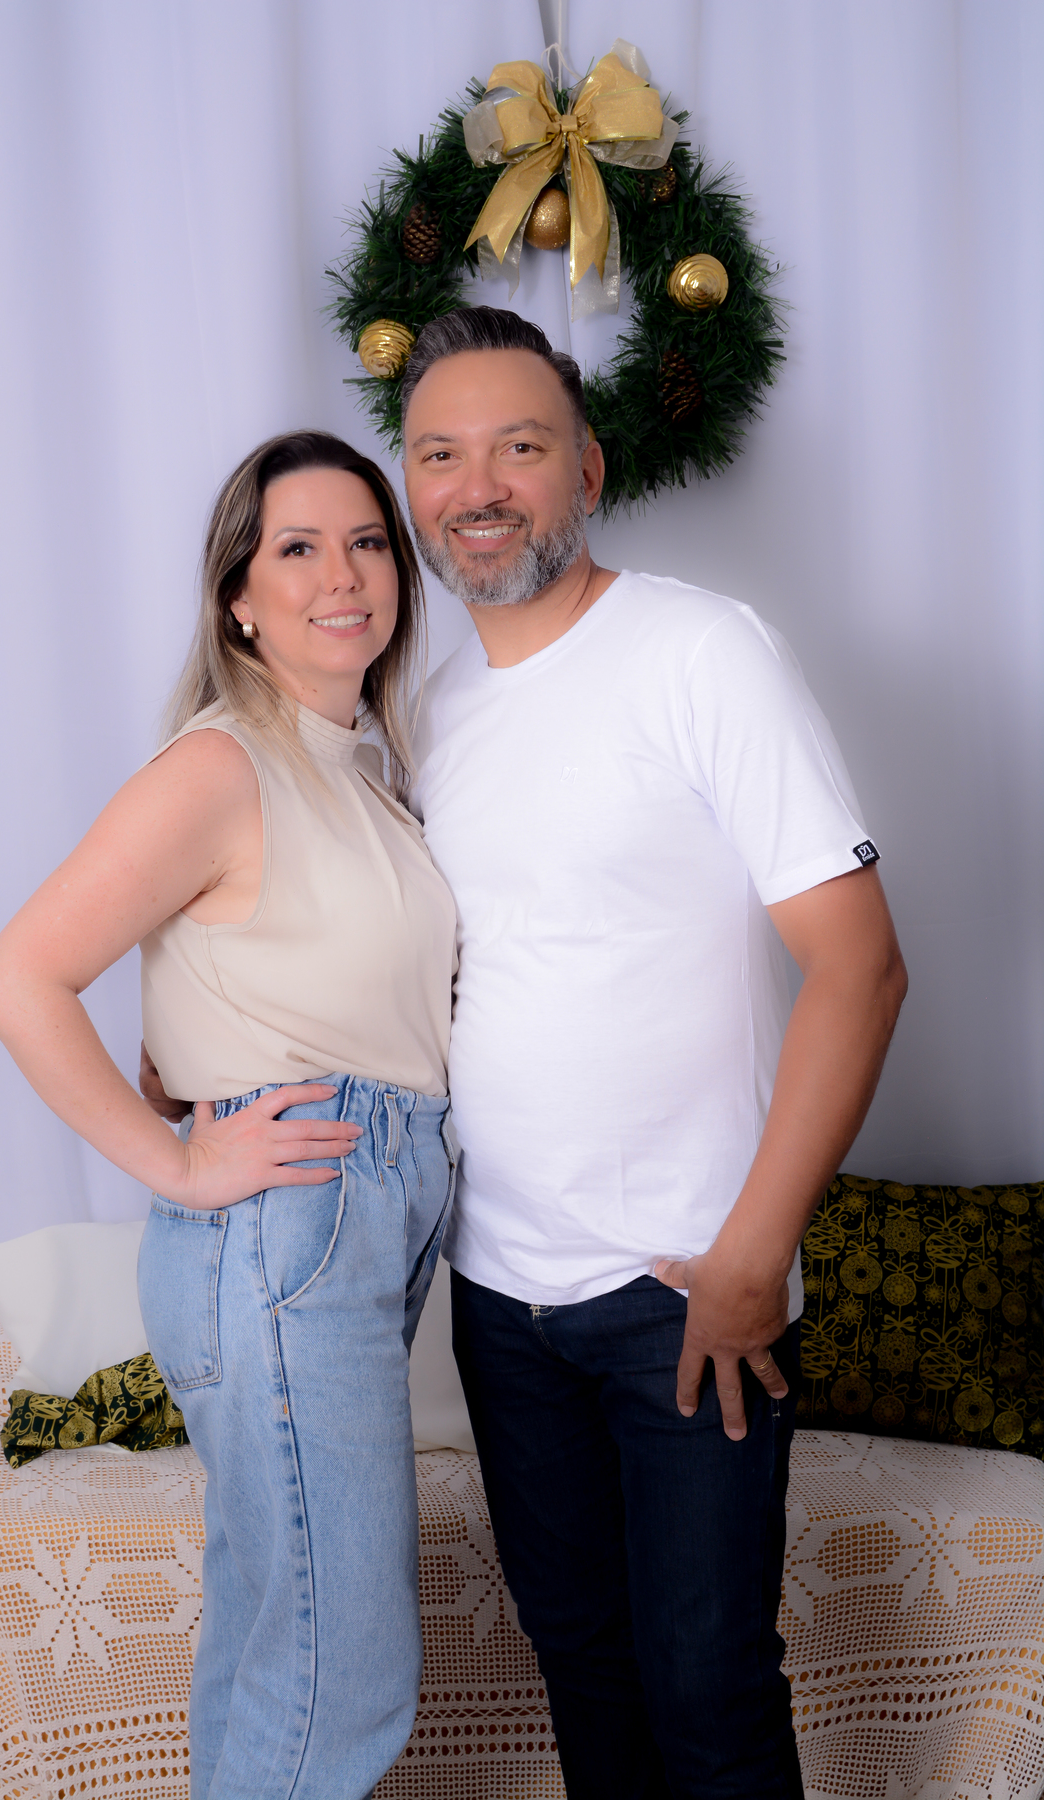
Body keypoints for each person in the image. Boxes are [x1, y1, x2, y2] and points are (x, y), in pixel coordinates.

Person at [399, 306, 908, 1800]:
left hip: (687, 1285)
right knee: (583, 1664)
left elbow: (861, 967)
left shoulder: (699, 651)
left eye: (519, 447)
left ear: (588, 472)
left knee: (707, 1691)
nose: (478, 487)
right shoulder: (429, 710)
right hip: (502, 1293)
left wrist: (757, 1251)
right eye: (440, 454)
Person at [0, 430, 459, 1800]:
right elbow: (17, 980)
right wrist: (180, 1164)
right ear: (239, 597)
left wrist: (181, 1060)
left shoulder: (358, 770)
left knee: (283, 1638)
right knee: (339, 1670)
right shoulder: (224, 764)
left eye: (367, 542)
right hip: (286, 1231)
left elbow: (252, 968)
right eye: (297, 548)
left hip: (345, 1222)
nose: (343, 574)